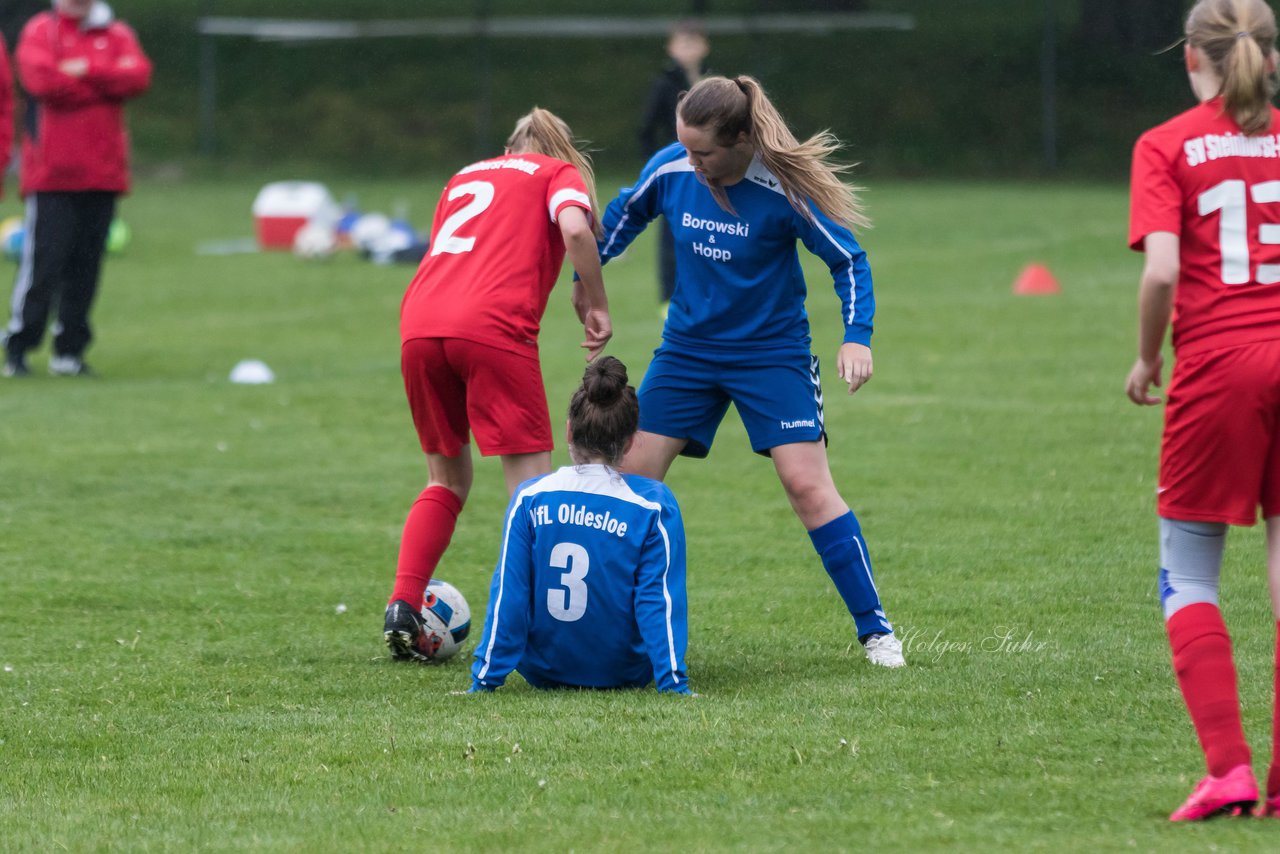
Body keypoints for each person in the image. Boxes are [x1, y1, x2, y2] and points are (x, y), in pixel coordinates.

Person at [592, 74, 905, 669]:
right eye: (684, 147)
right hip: (687, 353)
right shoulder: (674, 169)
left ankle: (876, 632)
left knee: (807, 486)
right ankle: (612, 629)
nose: (692, 161)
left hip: (771, 356)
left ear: (740, 140)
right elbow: (625, 214)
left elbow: (849, 261)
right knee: (628, 482)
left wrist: (856, 338)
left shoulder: (782, 188)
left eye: (703, 152)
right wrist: (589, 273)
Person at [384, 107, 613, 662]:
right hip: (491, 328)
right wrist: (593, 295)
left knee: (446, 477)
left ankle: (402, 603)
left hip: (418, 323)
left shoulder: (465, 174)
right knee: (530, 488)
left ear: (510, 148)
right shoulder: (556, 175)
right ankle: (537, 630)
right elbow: (577, 228)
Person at [1126, 0, 1280, 822]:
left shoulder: (1168, 144)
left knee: (1190, 572)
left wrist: (1150, 358)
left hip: (1221, 367)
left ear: (1193, 57)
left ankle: (1230, 770)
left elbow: (1160, 273)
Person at [470, 356, 689, 694]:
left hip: (542, 668)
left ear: (569, 430)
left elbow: (510, 595)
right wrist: (673, 684)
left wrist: (484, 680)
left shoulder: (530, 498)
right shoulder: (653, 505)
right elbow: (657, 600)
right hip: (624, 671)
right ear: (631, 440)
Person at [2, 0, 151, 378]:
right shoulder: (41, 30)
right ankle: (19, 346)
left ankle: (69, 352)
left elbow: (137, 78)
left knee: (86, 267)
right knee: (43, 265)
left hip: (103, 173)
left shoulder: (117, 33)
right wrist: (104, 82)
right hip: (52, 174)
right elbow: (42, 81)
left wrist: (86, 71)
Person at [639, 20, 710, 310]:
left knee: (712, 228)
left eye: (693, 42)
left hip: (711, 170)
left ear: (705, 46)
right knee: (672, 233)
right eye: (682, 42)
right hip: (678, 172)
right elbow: (645, 129)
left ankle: (710, 289)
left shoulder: (714, 83)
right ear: (671, 47)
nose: (688, 48)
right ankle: (669, 297)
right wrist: (657, 168)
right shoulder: (665, 83)